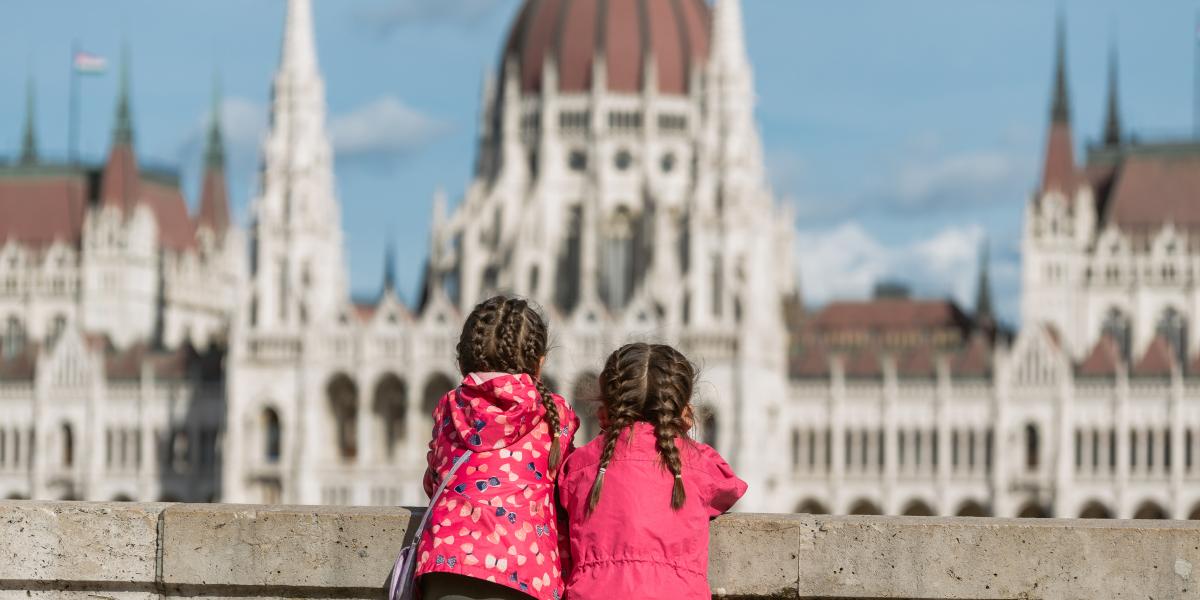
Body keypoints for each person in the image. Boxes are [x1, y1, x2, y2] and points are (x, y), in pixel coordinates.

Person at [417, 296, 579, 600]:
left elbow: (433, 481)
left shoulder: (449, 407)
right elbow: (567, 490)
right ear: (540, 361)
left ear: (462, 358)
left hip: (446, 569)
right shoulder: (556, 413)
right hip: (526, 574)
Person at [559, 343, 747, 600]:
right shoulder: (697, 463)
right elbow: (730, 487)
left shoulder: (581, 464)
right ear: (684, 412)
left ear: (603, 413)